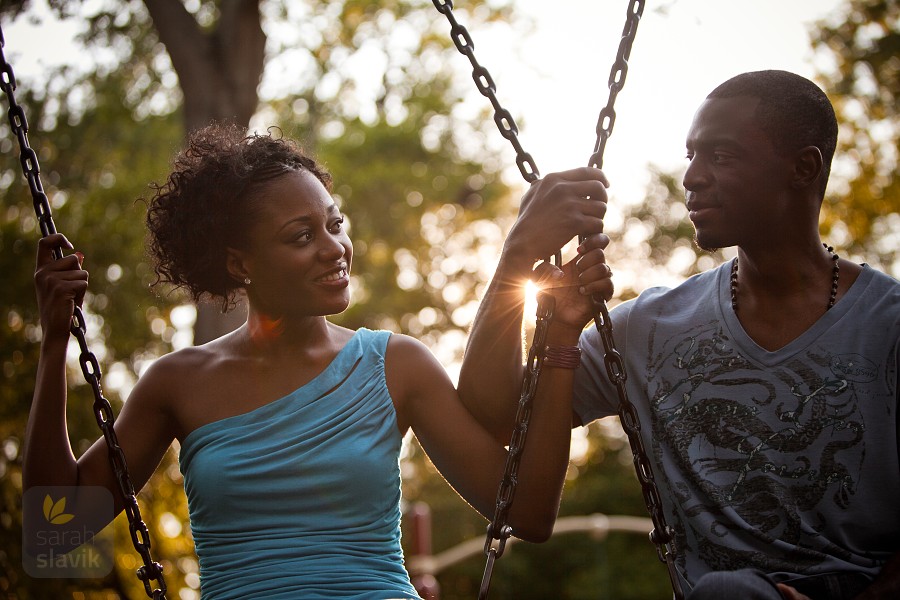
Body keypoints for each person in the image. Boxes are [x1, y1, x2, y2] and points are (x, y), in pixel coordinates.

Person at [23, 123, 613, 598]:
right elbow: (56, 529)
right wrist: (54, 343)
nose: (334, 248)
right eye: (300, 236)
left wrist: (559, 339)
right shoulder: (178, 384)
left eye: (334, 224)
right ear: (238, 263)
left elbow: (528, 513)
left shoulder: (395, 367)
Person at [458, 70, 900, 600]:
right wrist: (516, 261)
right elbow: (494, 413)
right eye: (691, 155)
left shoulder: (887, 326)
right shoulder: (651, 328)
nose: (692, 177)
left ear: (803, 167)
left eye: (721, 156)